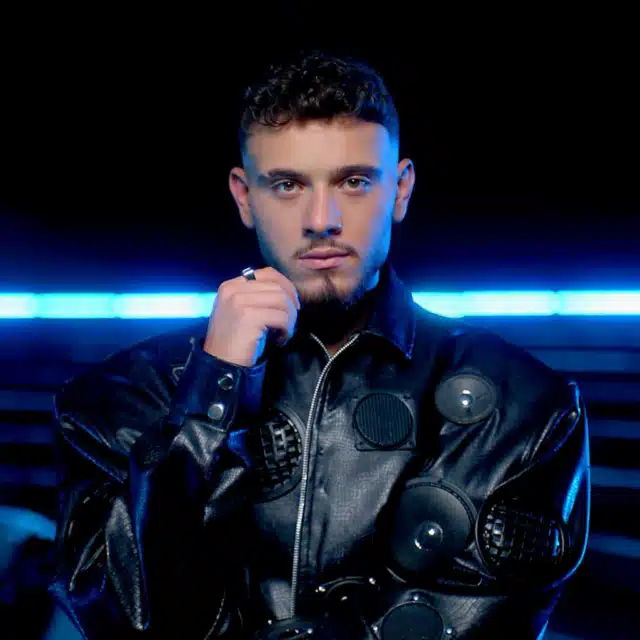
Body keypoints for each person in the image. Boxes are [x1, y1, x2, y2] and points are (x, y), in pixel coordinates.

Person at [49, 50, 590, 639]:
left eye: (354, 182)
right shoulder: (119, 397)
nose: (321, 219)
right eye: (287, 185)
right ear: (244, 196)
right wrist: (213, 390)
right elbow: (127, 620)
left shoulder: (525, 404)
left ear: (400, 189)